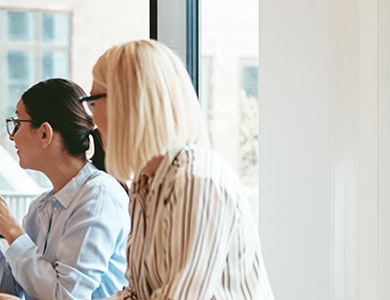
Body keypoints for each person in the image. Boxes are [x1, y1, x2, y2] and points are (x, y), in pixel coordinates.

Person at [89, 40, 273, 299]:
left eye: (93, 103)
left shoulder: (198, 182)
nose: (92, 121)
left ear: (129, 103)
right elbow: (137, 293)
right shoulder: (146, 182)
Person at [0, 78, 130, 300]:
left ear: (45, 133)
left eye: (17, 123)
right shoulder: (40, 207)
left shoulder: (99, 196)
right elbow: (13, 293)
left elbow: (67, 297)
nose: (12, 135)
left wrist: (12, 229)